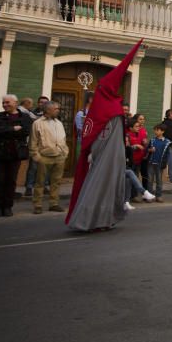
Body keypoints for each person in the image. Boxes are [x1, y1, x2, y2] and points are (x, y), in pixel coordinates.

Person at [66, 41, 142, 232]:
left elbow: (93, 131)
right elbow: (98, 131)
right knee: (101, 188)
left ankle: (104, 219)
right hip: (108, 156)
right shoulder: (113, 108)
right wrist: (96, 151)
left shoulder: (105, 107)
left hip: (106, 154)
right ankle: (91, 220)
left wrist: (92, 150)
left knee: (105, 188)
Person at [0, 94, 33, 217]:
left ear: (15, 102)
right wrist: (13, 129)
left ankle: (8, 206)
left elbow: (25, 131)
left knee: (11, 181)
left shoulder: (24, 117)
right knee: (0, 181)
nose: (5, 105)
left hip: (15, 153)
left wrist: (3, 129)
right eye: (4, 103)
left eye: (8, 102)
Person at [28, 100, 68, 214]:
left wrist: (65, 152)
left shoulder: (58, 123)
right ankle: (37, 204)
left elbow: (63, 139)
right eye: (56, 109)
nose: (58, 111)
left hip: (59, 156)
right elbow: (33, 141)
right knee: (40, 182)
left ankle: (54, 203)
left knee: (56, 182)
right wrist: (36, 156)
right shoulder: (38, 123)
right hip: (44, 156)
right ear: (48, 110)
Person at [147, 124, 171, 202]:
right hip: (151, 163)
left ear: (162, 131)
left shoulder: (167, 142)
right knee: (150, 180)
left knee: (159, 180)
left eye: (157, 130)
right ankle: (150, 196)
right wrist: (150, 150)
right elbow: (147, 149)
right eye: (155, 130)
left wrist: (165, 164)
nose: (155, 131)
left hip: (160, 164)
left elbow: (167, 154)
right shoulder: (152, 140)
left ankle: (159, 195)